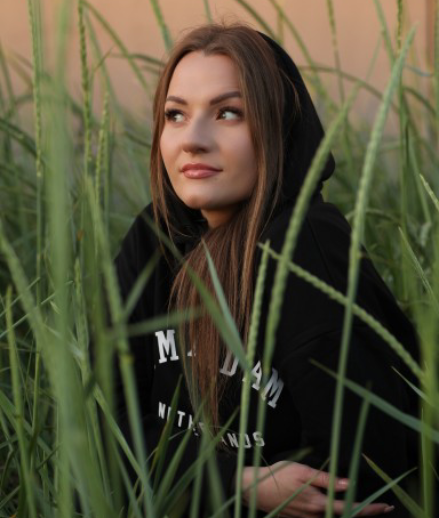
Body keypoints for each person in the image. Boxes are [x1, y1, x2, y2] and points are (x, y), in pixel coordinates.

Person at [112, 23, 420, 518]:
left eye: (228, 113)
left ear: (279, 127)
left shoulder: (306, 246)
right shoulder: (156, 238)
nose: (193, 140)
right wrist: (237, 482)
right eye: (175, 114)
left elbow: (358, 477)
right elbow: (106, 423)